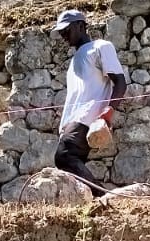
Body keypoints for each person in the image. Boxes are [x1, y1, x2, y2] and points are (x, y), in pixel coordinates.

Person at [53, 10, 127, 197]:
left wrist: (109, 110)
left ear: (80, 25)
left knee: (64, 156)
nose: (62, 35)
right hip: (72, 121)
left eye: (66, 30)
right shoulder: (74, 60)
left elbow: (120, 81)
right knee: (71, 164)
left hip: (87, 117)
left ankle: (103, 198)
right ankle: (95, 202)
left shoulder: (100, 46)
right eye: (60, 31)